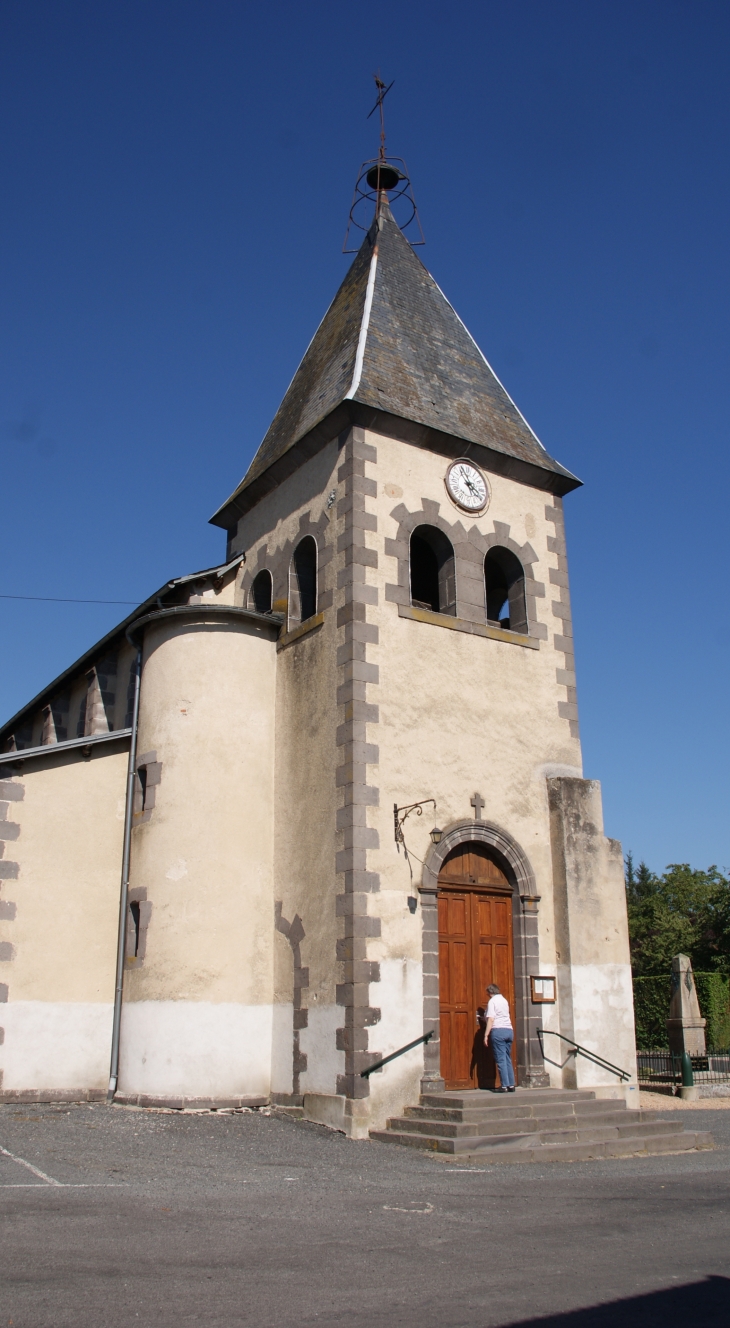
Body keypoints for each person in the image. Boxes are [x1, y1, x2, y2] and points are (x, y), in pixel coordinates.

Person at [483, 983, 515, 1092]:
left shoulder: (492, 1001)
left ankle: (504, 1085)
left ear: (490, 992)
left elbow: (491, 1018)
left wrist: (486, 1035)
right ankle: (511, 1084)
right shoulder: (504, 1000)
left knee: (500, 1058)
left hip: (498, 1031)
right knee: (507, 1058)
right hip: (509, 1030)